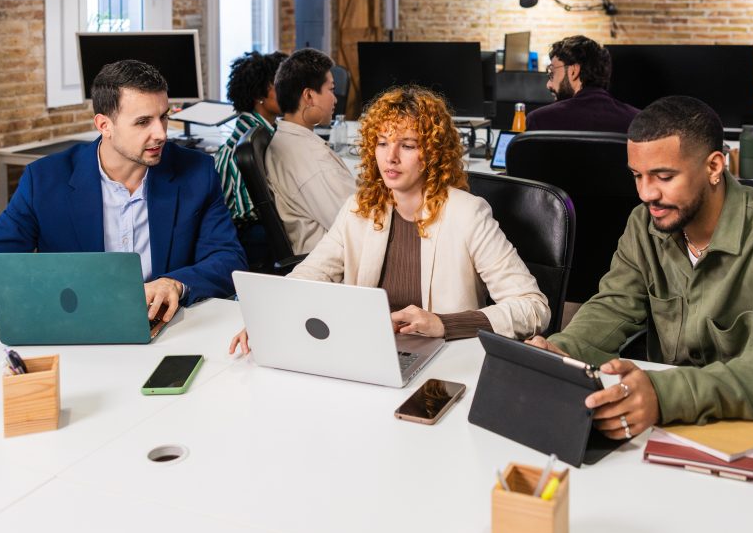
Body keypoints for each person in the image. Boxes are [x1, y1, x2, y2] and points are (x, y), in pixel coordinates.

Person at [527, 95, 753, 439]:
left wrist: (665, 395)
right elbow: (615, 306)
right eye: (637, 176)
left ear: (714, 167)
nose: (646, 194)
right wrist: (562, 351)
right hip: (673, 426)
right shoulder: (644, 223)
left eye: (664, 176)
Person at [231, 85, 549, 354]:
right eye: (382, 143)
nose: (390, 157)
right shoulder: (361, 208)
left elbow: (533, 307)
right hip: (368, 350)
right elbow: (313, 272)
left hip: (443, 357)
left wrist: (443, 323)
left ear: (433, 153)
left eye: (407, 145)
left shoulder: (468, 214)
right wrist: (268, 317)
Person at [0, 60, 247, 322]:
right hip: (78, 329)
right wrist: (47, 314)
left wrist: (175, 284)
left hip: (168, 327)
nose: (161, 133)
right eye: (143, 122)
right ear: (104, 125)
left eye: (163, 117)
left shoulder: (196, 172)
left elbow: (228, 259)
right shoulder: (46, 181)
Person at [264, 48, 355, 254]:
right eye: (331, 89)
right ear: (309, 96)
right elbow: (360, 227)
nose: (335, 99)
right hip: (335, 262)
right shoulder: (315, 163)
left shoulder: (285, 138)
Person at [214, 50, 288, 269]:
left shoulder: (263, 132)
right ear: (259, 95)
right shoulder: (247, 145)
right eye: (280, 85)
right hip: (250, 244)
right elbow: (247, 214)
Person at [524, 35, 639, 132]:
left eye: (552, 73)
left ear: (573, 71)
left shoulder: (539, 120)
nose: (548, 84)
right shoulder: (637, 121)